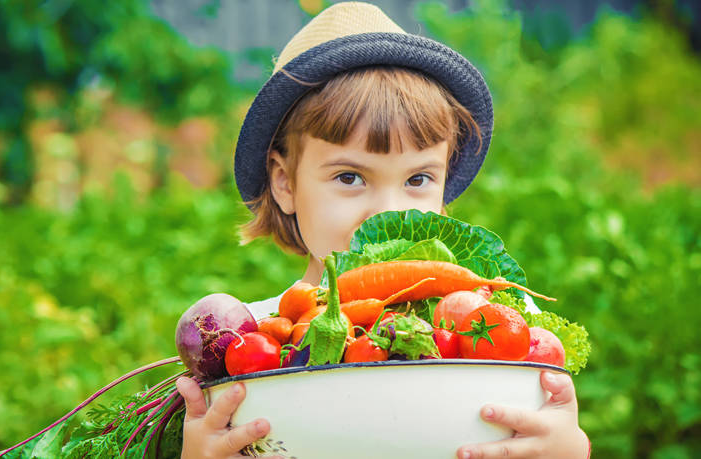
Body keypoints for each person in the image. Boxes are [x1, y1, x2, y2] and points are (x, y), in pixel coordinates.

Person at [175, 2, 590, 458]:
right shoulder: (245, 343)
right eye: (350, 177)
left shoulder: (496, 326)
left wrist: (566, 450)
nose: (387, 214)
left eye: (417, 180)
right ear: (285, 183)